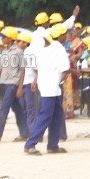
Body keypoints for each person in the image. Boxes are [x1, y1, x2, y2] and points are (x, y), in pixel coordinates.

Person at [23, 23, 70, 155]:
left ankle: (53, 145)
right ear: (61, 36)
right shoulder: (58, 48)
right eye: (65, 35)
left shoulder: (45, 49)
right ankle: (30, 144)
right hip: (51, 87)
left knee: (56, 116)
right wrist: (75, 72)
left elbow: (40, 68)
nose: (66, 37)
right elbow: (64, 69)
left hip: (49, 87)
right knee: (45, 116)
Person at [0, 27, 29, 142]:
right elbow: (0, 68)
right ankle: (25, 133)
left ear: (10, 39)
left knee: (4, 108)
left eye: (4, 37)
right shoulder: (4, 51)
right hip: (4, 83)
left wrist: (20, 88)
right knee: (17, 109)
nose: (2, 39)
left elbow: (23, 70)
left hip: (12, 84)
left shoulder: (18, 52)